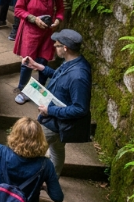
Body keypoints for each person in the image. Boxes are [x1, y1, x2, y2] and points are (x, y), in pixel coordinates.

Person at [22, 29, 92, 177]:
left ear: (65, 48)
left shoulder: (79, 76)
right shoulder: (72, 62)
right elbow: (60, 77)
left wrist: (50, 110)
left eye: (57, 44)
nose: (54, 45)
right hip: (56, 120)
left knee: (30, 152)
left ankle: (28, 182)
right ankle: (53, 180)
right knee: (57, 150)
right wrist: (39, 67)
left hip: (54, 123)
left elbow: (80, 109)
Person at [12, 0, 64, 105]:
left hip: (47, 33)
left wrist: (58, 20)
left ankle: (40, 91)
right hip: (31, 31)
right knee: (28, 61)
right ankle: (23, 89)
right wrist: (34, 19)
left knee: (42, 61)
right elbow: (18, 9)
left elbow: (60, 9)